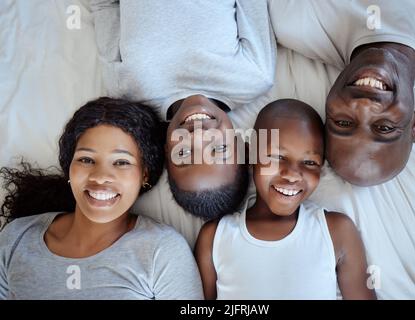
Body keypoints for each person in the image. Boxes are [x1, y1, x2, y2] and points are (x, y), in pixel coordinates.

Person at [0, 97, 203, 300]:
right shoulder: (16, 238)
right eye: (86, 160)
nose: (100, 176)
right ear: (69, 166)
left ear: (144, 175)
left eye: (122, 162)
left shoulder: (163, 251)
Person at [90, 0, 276, 219]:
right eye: (219, 150)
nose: (198, 135)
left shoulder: (127, 91)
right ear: (241, 146)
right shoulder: (254, 76)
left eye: (184, 153)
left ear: (166, 151)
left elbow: (104, 6)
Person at [195, 99, 376, 299]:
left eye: (309, 162)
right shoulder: (214, 238)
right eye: (276, 157)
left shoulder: (337, 231)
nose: (292, 174)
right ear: (250, 155)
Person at [269, 0, 415, 186]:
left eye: (344, 122)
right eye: (384, 127)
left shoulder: (294, 19)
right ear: (413, 124)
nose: (364, 105)